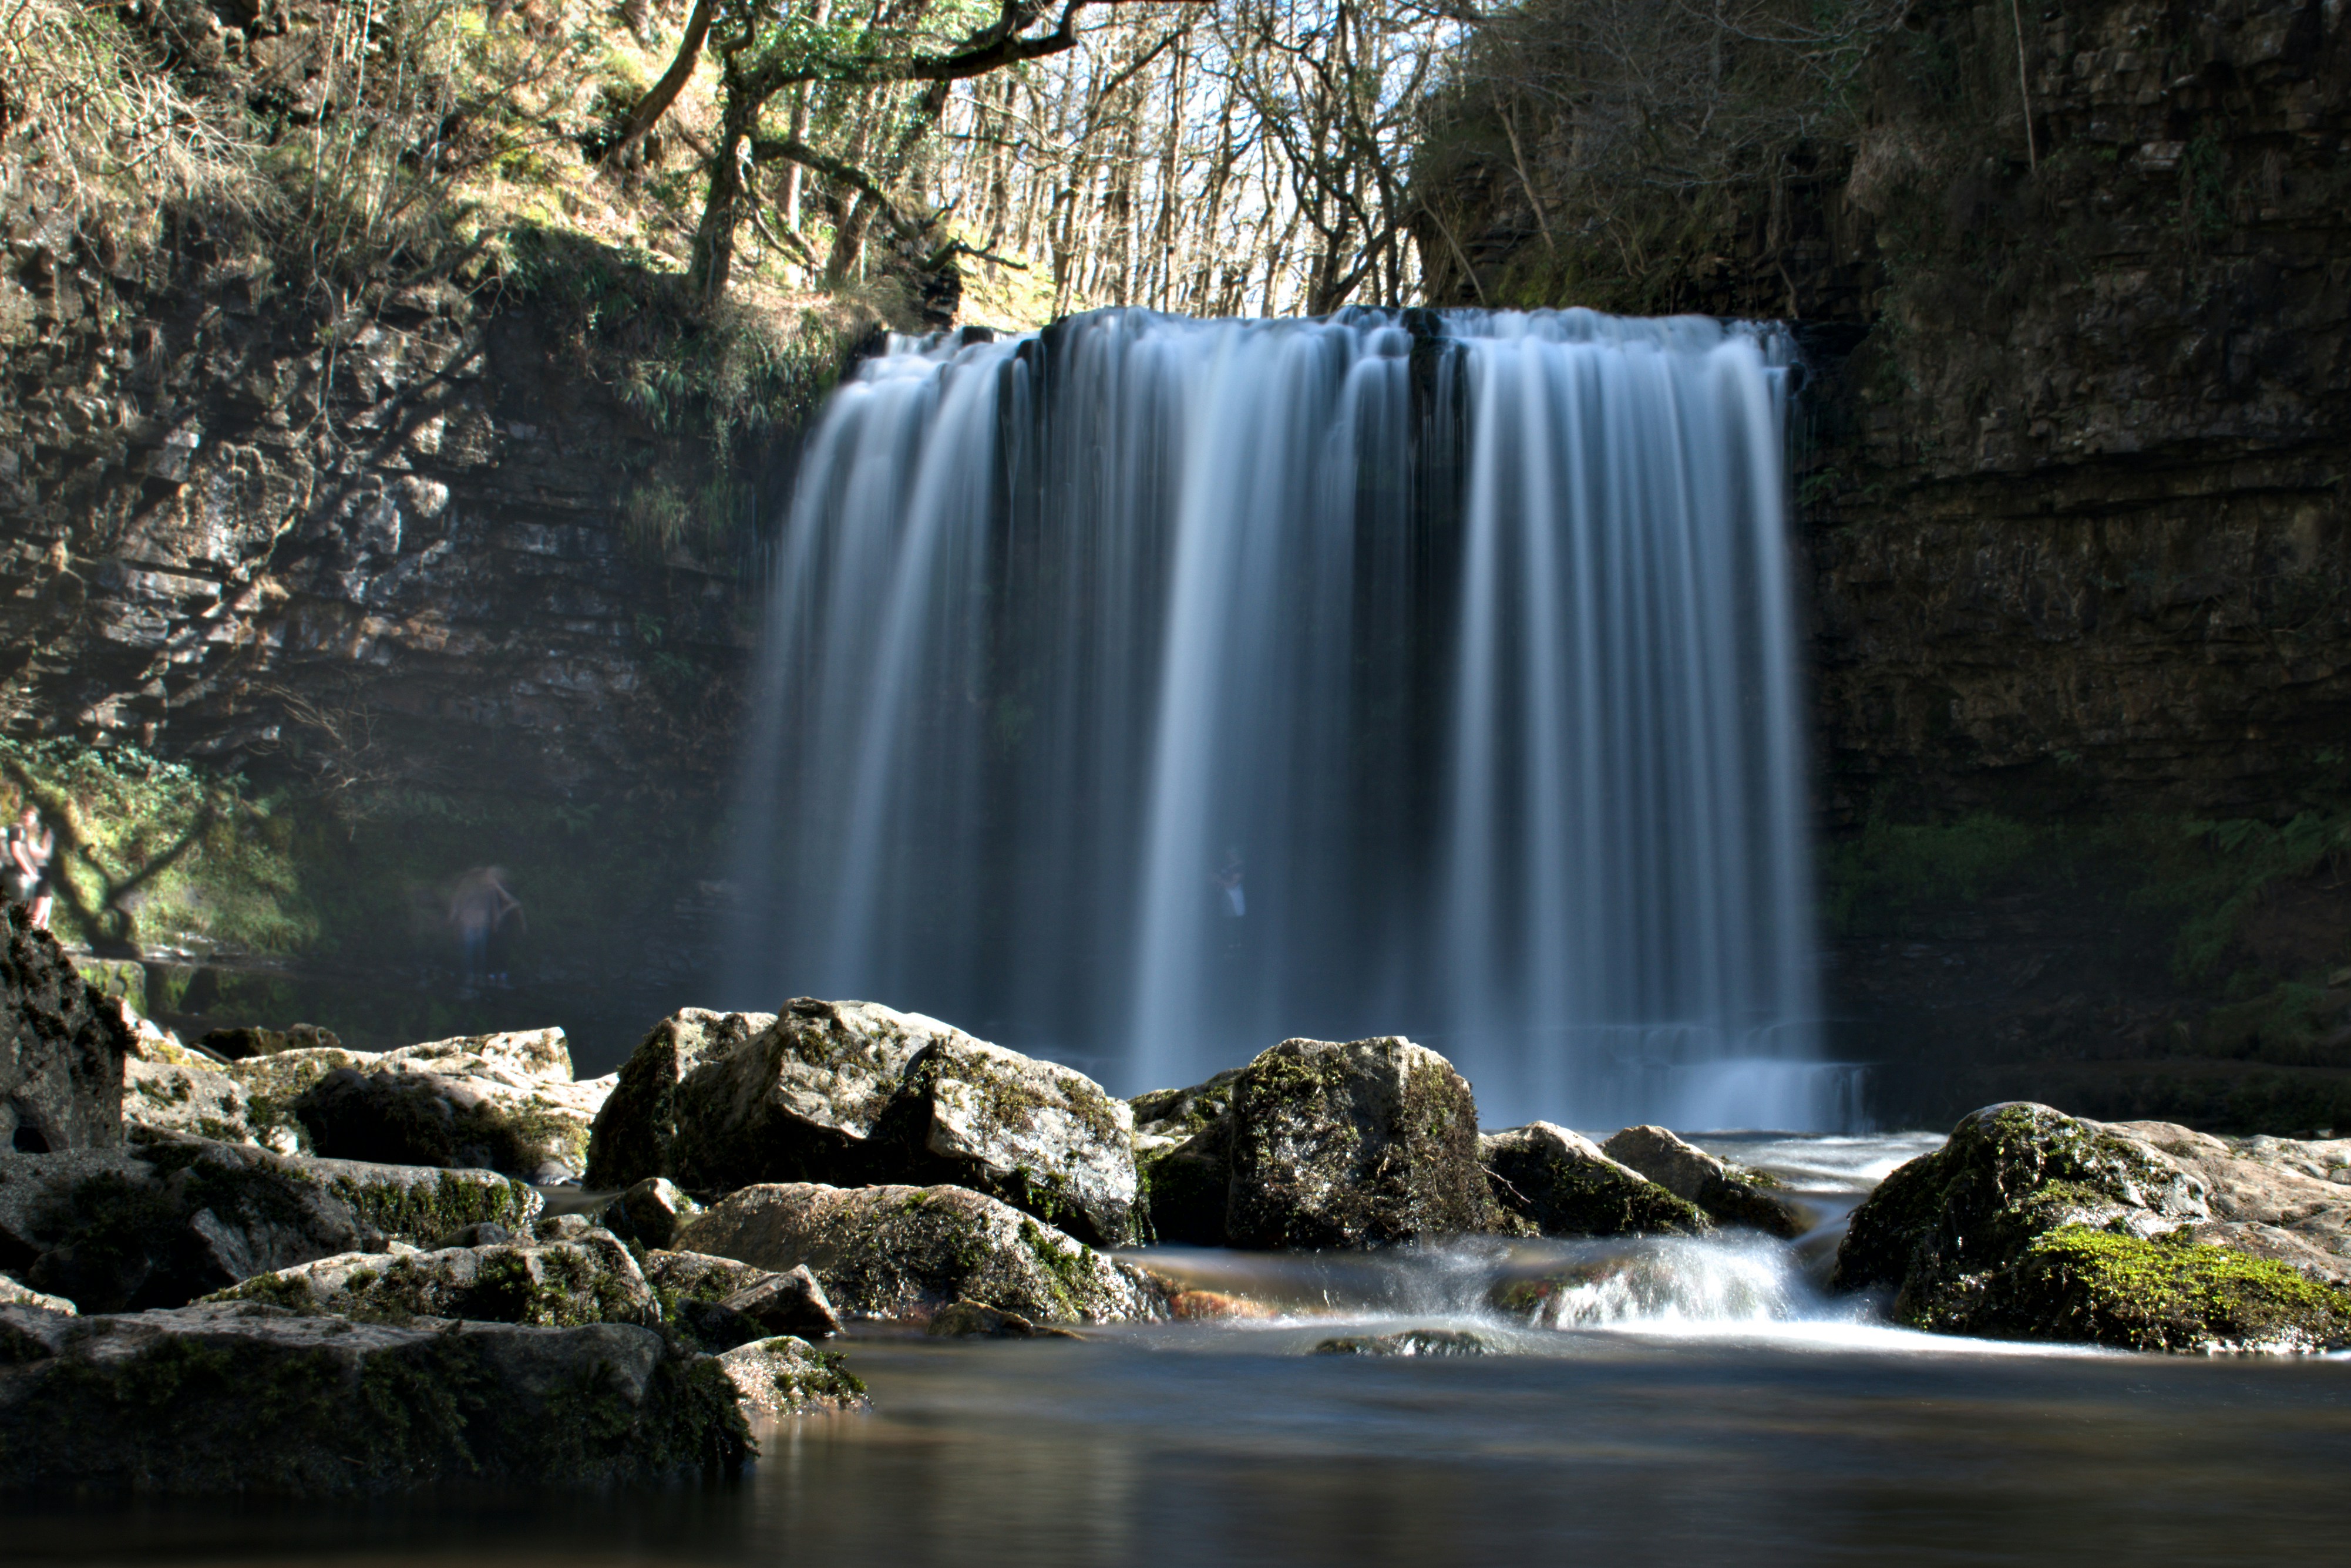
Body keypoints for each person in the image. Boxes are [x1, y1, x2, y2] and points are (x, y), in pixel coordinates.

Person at [448, 866, 523, 992]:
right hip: (469, 922)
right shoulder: (466, 885)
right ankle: (470, 977)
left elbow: (493, 905)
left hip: (482, 923)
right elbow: (457, 902)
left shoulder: (489, 889)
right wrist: (453, 917)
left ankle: (479, 977)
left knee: (480, 952)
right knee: (469, 950)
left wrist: (496, 920)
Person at [5, 805, 55, 931]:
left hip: (31, 877)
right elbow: (15, 852)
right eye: (25, 814)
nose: (28, 818)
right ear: (21, 815)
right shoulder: (17, 829)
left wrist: (48, 841)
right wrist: (30, 871)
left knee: (35, 916)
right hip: (19, 876)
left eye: (32, 815)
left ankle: (25, 939)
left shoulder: (26, 834)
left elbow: (39, 855)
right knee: (25, 914)